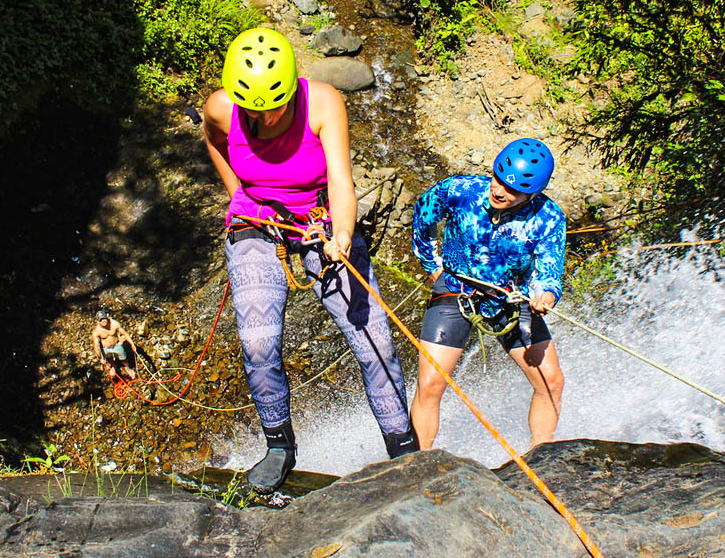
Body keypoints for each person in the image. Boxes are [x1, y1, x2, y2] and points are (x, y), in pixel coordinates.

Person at [203, 27, 417, 494]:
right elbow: (215, 142)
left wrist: (341, 234)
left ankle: (403, 447)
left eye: (274, 105)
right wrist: (238, 196)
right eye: (255, 108)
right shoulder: (221, 107)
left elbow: (342, 180)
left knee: (372, 335)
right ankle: (280, 446)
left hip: (321, 222)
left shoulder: (321, 101)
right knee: (259, 340)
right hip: (256, 226)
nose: (266, 114)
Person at [410, 138, 566, 451]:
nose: (499, 191)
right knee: (429, 384)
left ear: (531, 194)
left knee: (551, 382)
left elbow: (548, 269)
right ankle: (418, 462)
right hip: (455, 288)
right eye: (498, 179)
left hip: (509, 296)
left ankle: (541, 456)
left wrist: (545, 294)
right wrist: (431, 264)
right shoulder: (459, 190)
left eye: (512, 191)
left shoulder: (548, 218)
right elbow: (424, 214)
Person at [92, 310, 138, 381]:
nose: (103, 321)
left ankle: (128, 369)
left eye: (104, 318)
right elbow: (96, 346)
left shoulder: (114, 324)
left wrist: (132, 344)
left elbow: (125, 334)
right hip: (105, 348)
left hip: (116, 345)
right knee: (109, 358)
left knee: (124, 358)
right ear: (98, 322)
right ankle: (114, 366)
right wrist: (100, 358)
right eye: (101, 320)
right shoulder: (96, 331)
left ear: (107, 317)